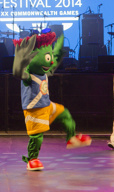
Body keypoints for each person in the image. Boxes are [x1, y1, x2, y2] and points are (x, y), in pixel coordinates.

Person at [13, 32, 91, 172]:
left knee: (65, 114)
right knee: (37, 137)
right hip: (34, 109)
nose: (50, 62)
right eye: (47, 57)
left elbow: (53, 62)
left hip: (47, 105)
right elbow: (18, 72)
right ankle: (32, 159)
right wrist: (20, 57)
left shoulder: (43, 72)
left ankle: (71, 138)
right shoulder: (28, 74)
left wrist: (59, 50)